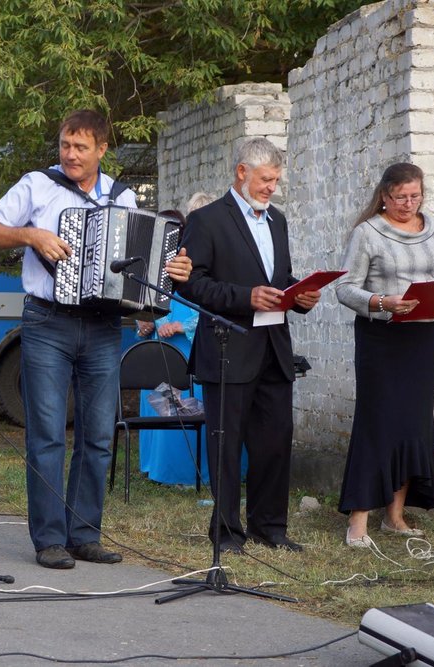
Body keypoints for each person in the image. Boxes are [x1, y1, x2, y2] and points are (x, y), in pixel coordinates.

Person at [0, 109, 192, 569]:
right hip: (46, 321)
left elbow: (148, 265)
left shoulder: (123, 197)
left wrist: (175, 271)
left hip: (104, 326)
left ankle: (83, 534)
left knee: (98, 435)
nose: (70, 155)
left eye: (81, 147)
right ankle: (50, 539)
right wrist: (30, 235)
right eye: (65, 145)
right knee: (47, 435)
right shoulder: (37, 185)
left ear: (102, 150)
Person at [177, 137, 320, 554]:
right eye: (265, 179)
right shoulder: (207, 220)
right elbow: (192, 283)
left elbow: (282, 278)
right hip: (228, 349)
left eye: (276, 180)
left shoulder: (278, 220)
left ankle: (270, 527)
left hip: (275, 348)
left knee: (275, 441)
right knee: (226, 444)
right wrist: (245, 297)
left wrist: (301, 294)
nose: (271, 187)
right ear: (242, 172)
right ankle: (226, 532)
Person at [334, 163, 434, 548]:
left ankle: (395, 515)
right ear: (385, 196)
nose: (409, 204)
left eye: (415, 196)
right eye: (400, 197)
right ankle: (358, 520)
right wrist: (380, 301)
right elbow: (344, 288)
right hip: (381, 339)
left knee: (412, 423)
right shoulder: (367, 233)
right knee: (378, 422)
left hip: (424, 338)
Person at [135, 209, 205, 486]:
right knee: (158, 403)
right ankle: (156, 468)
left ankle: (183, 472)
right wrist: (143, 324)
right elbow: (142, 306)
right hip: (158, 349)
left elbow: (211, 309)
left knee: (184, 407)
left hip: (185, 349)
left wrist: (179, 326)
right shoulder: (149, 264)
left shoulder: (194, 264)